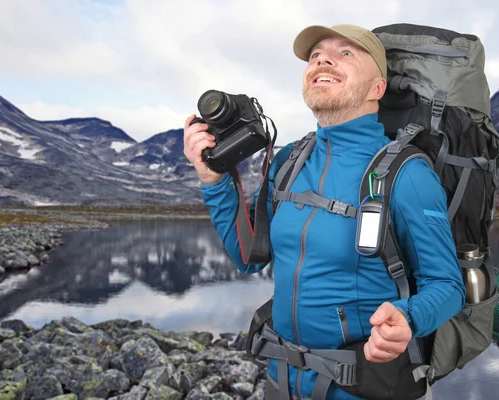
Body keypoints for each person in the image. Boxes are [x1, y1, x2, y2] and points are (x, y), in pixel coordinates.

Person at [184, 23, 466, 400]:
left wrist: (407, 318)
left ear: (376, 89)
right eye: (315, 56)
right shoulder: (289, 162)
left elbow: (448, 286)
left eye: (345, 53)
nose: (323, 60)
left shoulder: (407, 174)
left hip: (364, 388)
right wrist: (213, 181)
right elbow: (249, 258)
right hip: (280, 382)